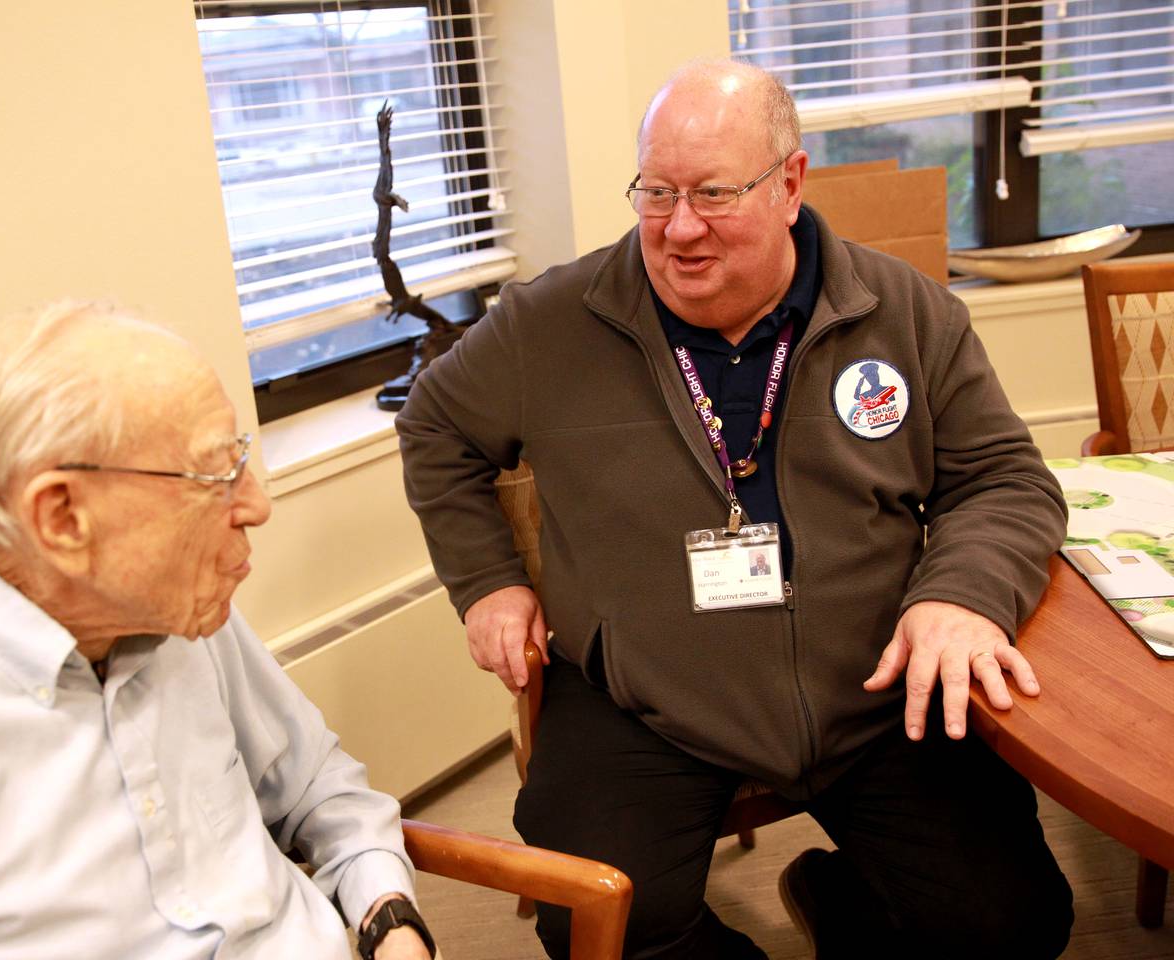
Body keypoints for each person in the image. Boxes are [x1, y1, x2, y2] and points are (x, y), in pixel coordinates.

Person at [396, 59, 1073, 959]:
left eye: (714, 194)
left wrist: (962, 595)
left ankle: (837, 901)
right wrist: (486, 583)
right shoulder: (549, 323)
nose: (679, 229)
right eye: (657, 192)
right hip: (643, 697)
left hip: (870, 685)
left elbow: (1004, 478)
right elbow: (434, 427)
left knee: (1015, 922)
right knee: (599, 924)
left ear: (790, 183)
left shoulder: (904, 311)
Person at [0, 301, 435, 960]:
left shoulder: (183, 616)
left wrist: (388, 914)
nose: (256, 505)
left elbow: (317, 786)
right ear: (63, 518)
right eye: (216, 472)